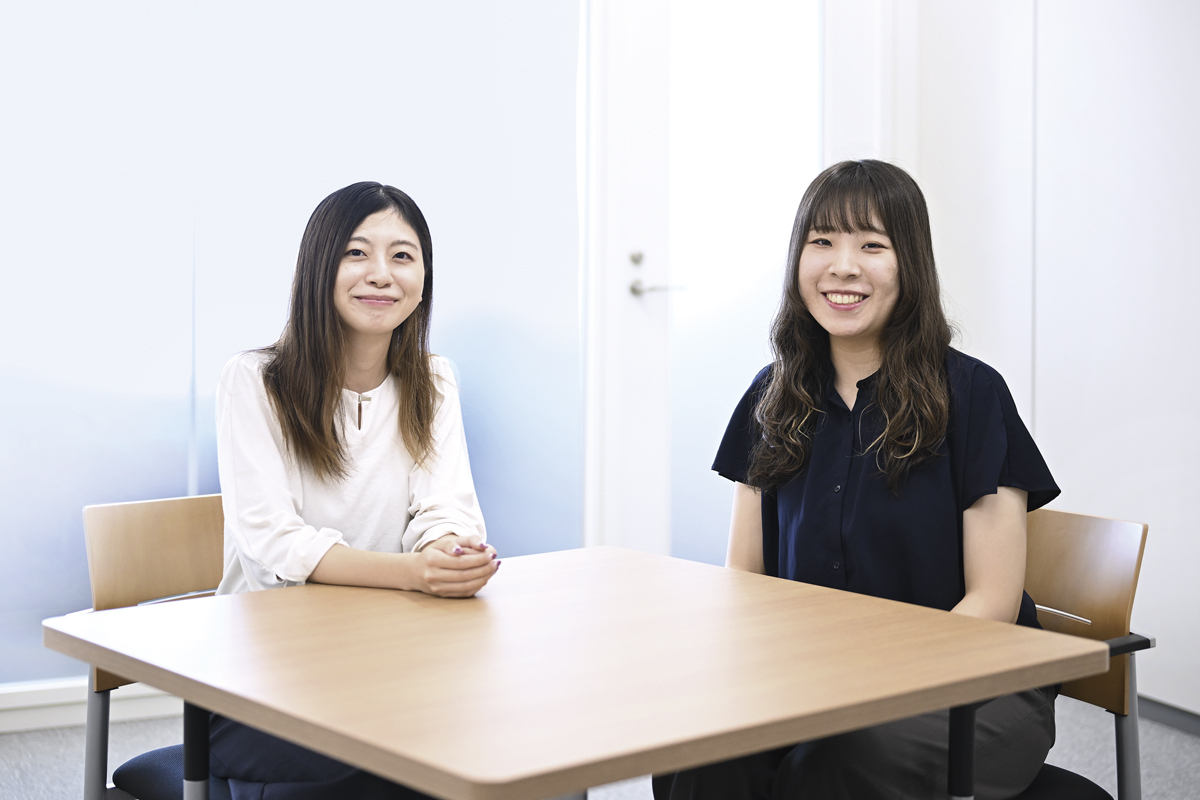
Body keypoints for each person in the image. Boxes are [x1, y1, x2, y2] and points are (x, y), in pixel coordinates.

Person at [653, 160, 1060, 800]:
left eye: (872, 245)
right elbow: (745, 580)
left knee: (836, 758)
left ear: (910, 264)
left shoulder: (973, 393)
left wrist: (861, 685)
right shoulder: (771, 396)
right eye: (823, 242)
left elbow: (992, 603)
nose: (843, 267)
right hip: (817, 679)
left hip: (976, 679)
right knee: (694, 749)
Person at [212, 181, 499, 799]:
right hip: (264, 671)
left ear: (423, 278)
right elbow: (273, 544)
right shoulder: (254, 381)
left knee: (495, 737)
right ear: (319, 266)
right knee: (398, 766)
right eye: (356, 253)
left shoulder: (434, 381)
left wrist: (448, 552)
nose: (381, 274)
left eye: (403, 256)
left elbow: (443, 508)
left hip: (390, 657)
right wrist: (412, 574)